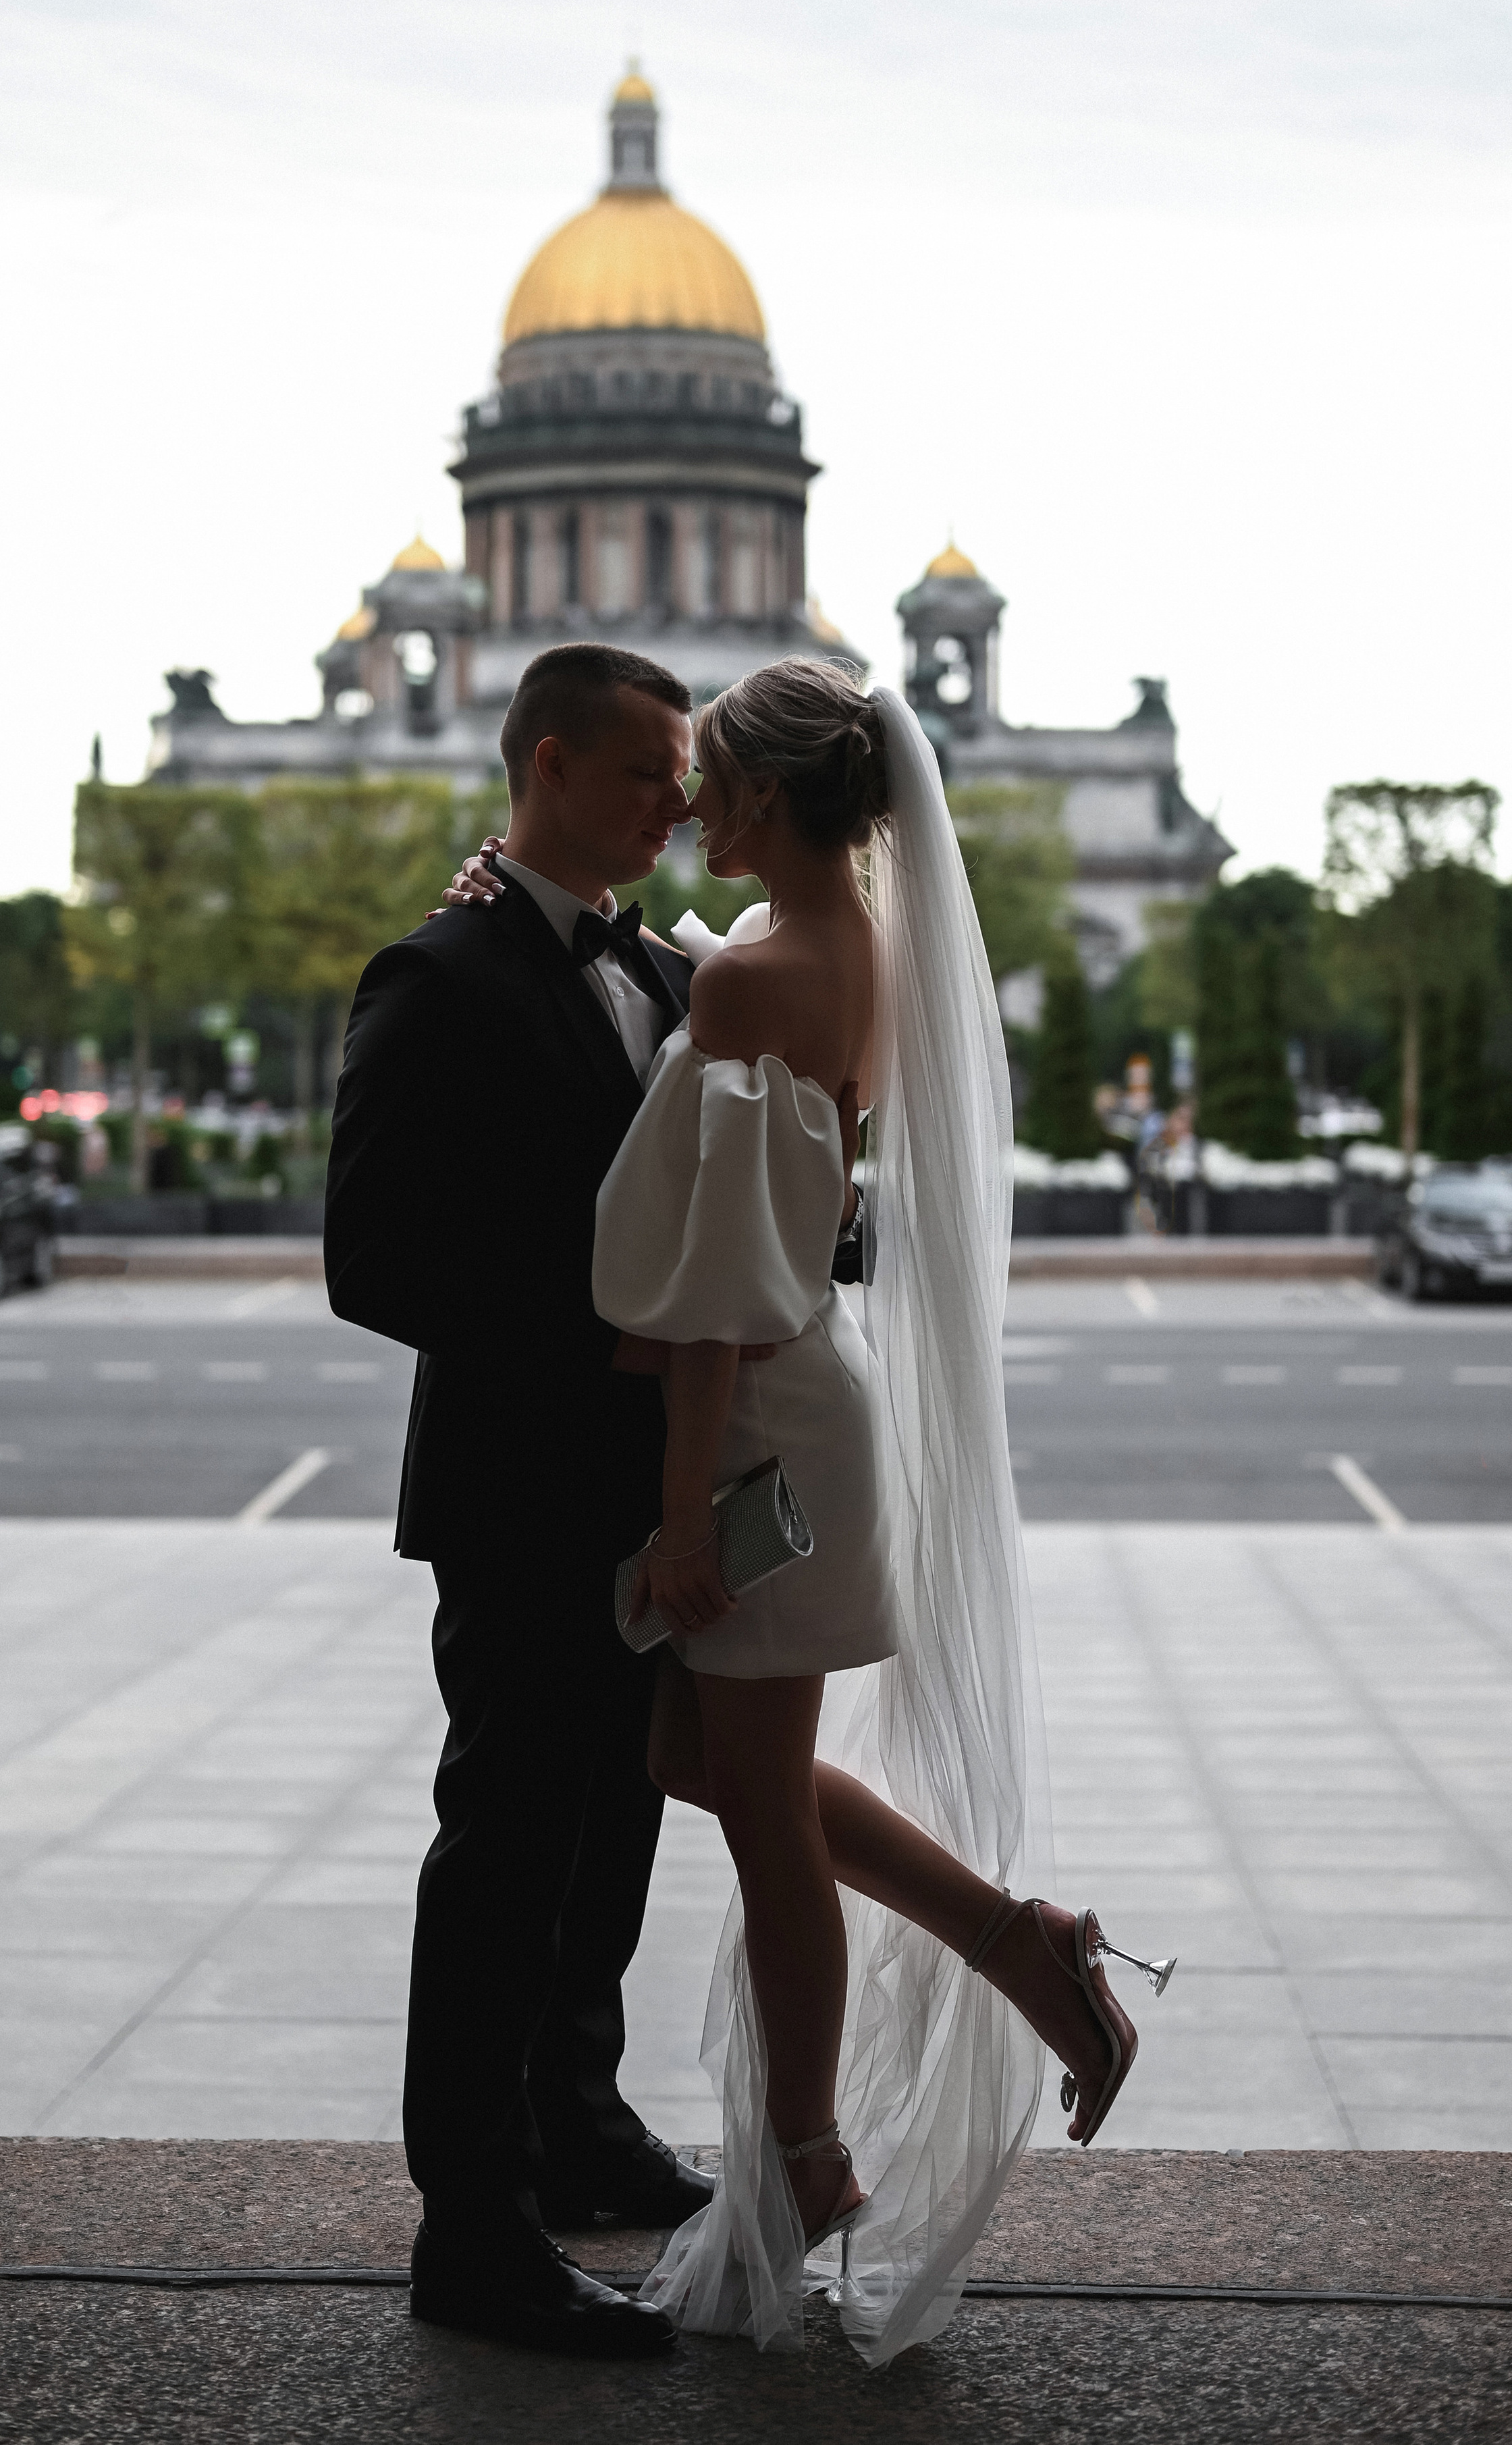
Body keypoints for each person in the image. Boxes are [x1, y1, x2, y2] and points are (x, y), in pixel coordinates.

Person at [580, 658, 1173, 2365]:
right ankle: (1018, 1939)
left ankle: (811, 2165)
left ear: (764, 800)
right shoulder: (854, 950)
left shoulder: (754, 980)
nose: (686, 806)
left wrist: (686, 1510)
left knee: (758, 1817)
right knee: (704, 1762)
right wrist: (650, 953)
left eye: (706, 783)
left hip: (757, 1410)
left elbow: (715, 1295)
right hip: (812, 1394)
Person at [323, 641, 863, 2361]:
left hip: (644, 1494)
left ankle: (579, 2118)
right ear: (547, 766)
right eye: (648, 775)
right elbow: (372, 1260)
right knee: (503, 1845)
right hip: (520, 1484)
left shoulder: (655, 956)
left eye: (693, 777)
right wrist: (610, 1347)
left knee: (611, 1828)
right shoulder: (440, 969)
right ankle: (468, 2225)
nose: (681, 803)